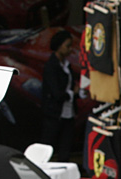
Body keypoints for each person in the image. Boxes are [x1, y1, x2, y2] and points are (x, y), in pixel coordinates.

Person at [41, 29, 78, 163]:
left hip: (68, 112)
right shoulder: (51, 66)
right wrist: (72, 93)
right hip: (54, 113)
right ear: (59, 46)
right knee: (48, 145)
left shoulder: (67, 66)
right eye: (67, 46)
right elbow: (56, 92)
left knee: (66, 145)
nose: (69, 49)